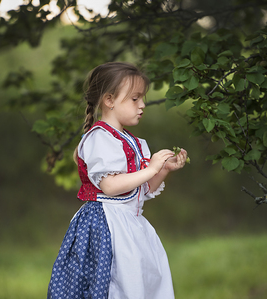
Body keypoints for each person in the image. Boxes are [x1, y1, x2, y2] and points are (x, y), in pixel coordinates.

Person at [47, 62, 187, 299]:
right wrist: (151, 168)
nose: (142, 105)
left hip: (130, 226)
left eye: (142, 98)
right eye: (135, 99)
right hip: (105, 226)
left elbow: (139, 190)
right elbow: (110, 186)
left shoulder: (132, 141)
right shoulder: (99, 138)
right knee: (113, 285)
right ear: (109, 100)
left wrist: (162, 170)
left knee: (138, 283)